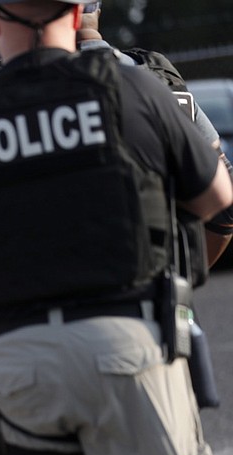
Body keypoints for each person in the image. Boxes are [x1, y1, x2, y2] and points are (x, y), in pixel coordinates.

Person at [0, 1, 232, 455]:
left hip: (18, 358)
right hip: (127, 343)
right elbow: (218, 199)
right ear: (79, 12)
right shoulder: (132, 86)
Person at [77, 0, 233, 266]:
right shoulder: (156, 79)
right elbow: (225, 206)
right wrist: (182, 276)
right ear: (98, 12)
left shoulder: (26, 95)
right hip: (155, 292)